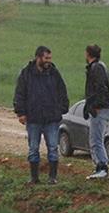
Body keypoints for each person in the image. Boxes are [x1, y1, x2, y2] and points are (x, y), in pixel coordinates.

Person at [13, 46, 69, 185]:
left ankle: (52, 177)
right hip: (33, 119)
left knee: (52, 148)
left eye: (50, 58)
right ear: (38, 57)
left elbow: (62, 92)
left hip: (51, 118)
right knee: (33, 149)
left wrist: (61, 109)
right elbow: (20, 94)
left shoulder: (54, 73)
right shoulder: (26, 74)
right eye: (46, 58)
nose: (48, 61)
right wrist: (21, 113)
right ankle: (34, 178)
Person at [84, 44, 109, 179]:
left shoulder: (96, 68)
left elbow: (101, 88)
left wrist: (95, 105)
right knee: (96, 138)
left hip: (100, 109)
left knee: (96, 139)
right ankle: (100, 167)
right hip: (101, 107)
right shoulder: (101, 66)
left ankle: (102, 167)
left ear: (88, 54)